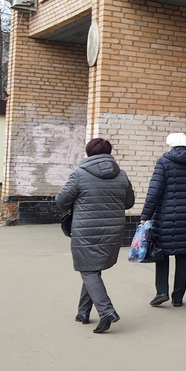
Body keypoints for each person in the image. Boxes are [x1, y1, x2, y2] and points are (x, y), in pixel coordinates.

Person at [55, 138, 135, 334]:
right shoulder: (122, 175)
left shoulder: (79, 174)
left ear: (88, 152)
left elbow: (61, 201)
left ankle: (106, 311)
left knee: (88, 269)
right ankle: (83, 313)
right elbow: (129, 203)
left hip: (86, 230)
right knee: (92, 268)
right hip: (113, 230)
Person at [139, 132, 186, 308]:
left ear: (170, 145)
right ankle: (178, 297)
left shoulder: (164, 162)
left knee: (161, 252)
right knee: (183, 255)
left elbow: (154, 192)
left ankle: (161, 292)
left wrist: (145, 216)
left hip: (166, 216)